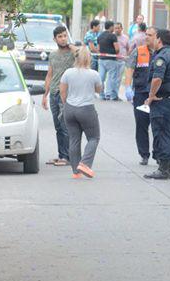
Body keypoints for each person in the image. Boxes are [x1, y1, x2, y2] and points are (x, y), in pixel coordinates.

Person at [143, 27, 170, 180]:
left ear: (159, 39)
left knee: (162, 135)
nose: (150, 39)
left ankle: (164, 169)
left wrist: (151, 96)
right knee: (168, 134)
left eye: (153, 36)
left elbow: (157, 78)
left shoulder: (162, 57)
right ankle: (166, 168)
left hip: (163, 101)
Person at [58, 47, 103, 179]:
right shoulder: (93, 74)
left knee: (74, 139)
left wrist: (67, 104)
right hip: (87, 109)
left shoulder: (68, 72)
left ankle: (75, 172)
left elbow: (62, 91)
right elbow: (99, 90)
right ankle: (85, 163)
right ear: (89, 58)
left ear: (75, 58)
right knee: (94, 137)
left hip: (70, 109)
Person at [42, 25, 77, 167]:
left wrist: (72, 46)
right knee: (58, 126)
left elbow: (84, 56)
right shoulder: (53, 55)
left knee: (64, 125)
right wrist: (45, 94)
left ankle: (68, 157)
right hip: (54, 93)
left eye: (65, 36)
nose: (63, 39)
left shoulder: (72, 52)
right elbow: (50, 74)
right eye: (60, 37)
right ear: (54, 39)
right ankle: (61, 155)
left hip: (66, 94)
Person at [123, 30, 154, 165]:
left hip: (157, 95)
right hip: (141, 93)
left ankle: (159, 154)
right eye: (146, 34)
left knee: (158, 125)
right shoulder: (138, 51)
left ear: (157, 38)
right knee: (141, 124)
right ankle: (144, 154)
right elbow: (129, 69)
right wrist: (128, 87)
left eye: (150, 35)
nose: (146, 37)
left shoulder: (163, 53)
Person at [96, 20, 122, 100]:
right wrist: (115, 53)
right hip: (111, 59)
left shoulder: (100, 36)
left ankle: (101, 94)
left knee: (101, 77)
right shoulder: (112, 36)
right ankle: (109, 94)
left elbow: (98, 48)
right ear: (111, 27)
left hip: (101, 59)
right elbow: (117, 48)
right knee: (111, 77)